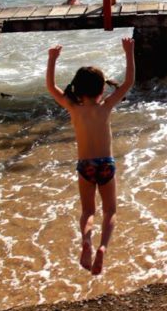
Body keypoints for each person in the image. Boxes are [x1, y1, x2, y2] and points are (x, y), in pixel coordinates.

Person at [46, 38, 135, 275]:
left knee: (88, 212)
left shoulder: (73, 107)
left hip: (85, 166)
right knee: (110, 211)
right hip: (106, 164)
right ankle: (103, 247)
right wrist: (129, 52)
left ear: (77, 88)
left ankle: (86, 241)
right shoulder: (105, 106)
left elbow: (51, 87)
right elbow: (128, 83)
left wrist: (52, 59)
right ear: (102, 89)